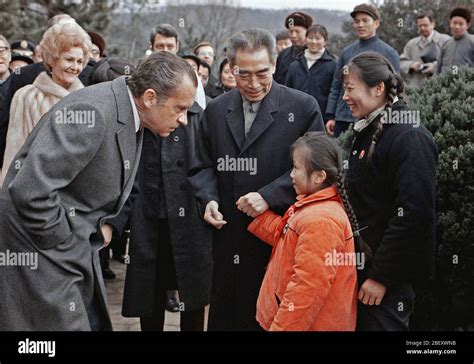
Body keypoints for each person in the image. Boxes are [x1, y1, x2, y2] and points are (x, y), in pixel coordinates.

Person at [0, 51, 198, 331]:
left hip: (68, 250)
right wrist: (65, 242)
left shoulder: (130, 113)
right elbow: (30, 189)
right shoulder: (92, 113)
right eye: (179, 109)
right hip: (40, 251)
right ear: (151, 97)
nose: (184, 120)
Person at [188, 28, 325, 331]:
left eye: (262, 73)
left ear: (275, 65)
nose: (253, 84)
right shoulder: (216, 110)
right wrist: (208, 199)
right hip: (227, 239)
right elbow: (201, 166)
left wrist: (270, 196)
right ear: (231, 67)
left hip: (277, 237)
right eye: (243, 74)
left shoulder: (302, 108)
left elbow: (319, 171)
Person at [341, 52, 437, 331]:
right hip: (361, 272)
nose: (344, 96)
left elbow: (414, 215)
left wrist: (382, 277)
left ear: (378, 88)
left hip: (385, 284)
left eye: (350, 88)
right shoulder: (370, 130)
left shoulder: (409, 137)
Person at [247, 132, 358, 331]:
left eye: (296, 168)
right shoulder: (313, 208)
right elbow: (288, 238)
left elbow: (307, 288)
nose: (291, 175)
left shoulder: (322, 220)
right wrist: (258, 219)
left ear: (319, 176)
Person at [1, 22, 91, 185]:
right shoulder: (27, 97)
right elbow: (15, 153)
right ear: (53, 59)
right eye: (69, 59)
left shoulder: (88, 99)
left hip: (78, 196)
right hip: (35, 191)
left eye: (79, 61)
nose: (75, 67)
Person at [325, 3, 400, 137]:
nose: (360, 25)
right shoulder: (347, 52)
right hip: (343, 118)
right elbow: (336, 85)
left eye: (365, 20)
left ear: (376, 23)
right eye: (357, 21)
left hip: (373, 118)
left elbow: (394, 87)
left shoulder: (389, 53)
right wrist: (331, 115)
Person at [285, 24, 336, 120]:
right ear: (306, 39)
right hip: (296, 115)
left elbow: (334, 92)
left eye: (318, 38)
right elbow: (287, 91)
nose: (313, 42)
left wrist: (331, 116)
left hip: (321, 116)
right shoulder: (295, 65)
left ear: (325, 41)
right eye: (310, 38)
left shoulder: (332, 65)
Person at [400, 13, 450, 89]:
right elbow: (400, 62)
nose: (422, 28)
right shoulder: (411, 43)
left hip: (440, 89)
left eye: (425, 25)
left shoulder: (445, 40)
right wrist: (411, 65)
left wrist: (434, 66)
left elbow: (452, 62)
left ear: (433, 24)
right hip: (416, 89)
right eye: (420, 26)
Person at [273, 11, 313, 84]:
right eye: (291, 32)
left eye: (297, 32)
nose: (293, 35)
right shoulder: (283, 55)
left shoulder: (315, 55)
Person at [437, 7, 474, 74]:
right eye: (454, 23)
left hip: (466, 83)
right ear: (450, 23)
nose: (457, 27)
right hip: (444, 83)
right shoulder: (447, 44)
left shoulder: (472, 41)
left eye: (461, 24)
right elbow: (438, 68)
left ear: (467, 25)